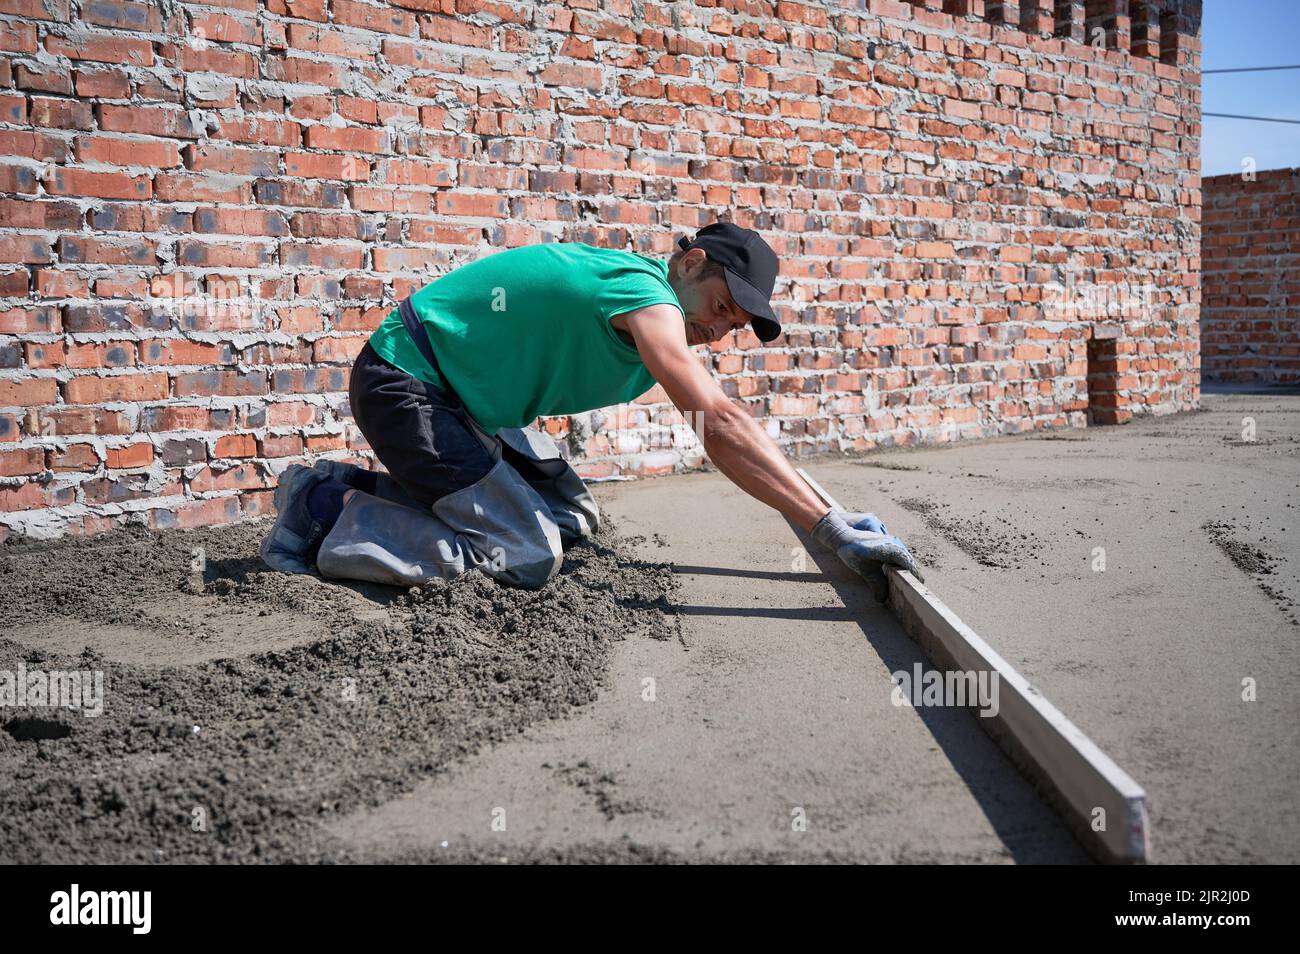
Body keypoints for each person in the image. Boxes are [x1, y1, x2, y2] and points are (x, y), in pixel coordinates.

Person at [260, 222, 923, 593]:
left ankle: (344, 488)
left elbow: (728, 424)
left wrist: (828, 510)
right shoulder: (646, 294)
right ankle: (320, 515)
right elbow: (717, 422)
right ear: (690, 263)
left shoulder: (655, 306)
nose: (722, 330)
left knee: (571, 515)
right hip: (408, 382)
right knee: (526, 555)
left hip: (467, 401)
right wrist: (825, 525)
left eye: (737, 325)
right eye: (724, 307)